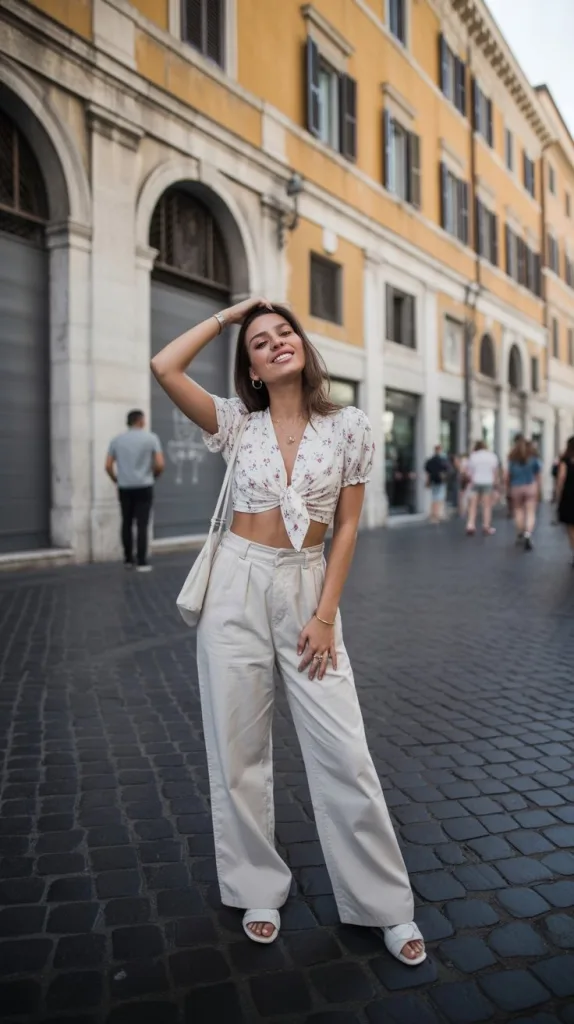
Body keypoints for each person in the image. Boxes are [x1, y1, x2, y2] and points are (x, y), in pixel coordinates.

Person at [151, 297, 425, 965]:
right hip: (236, 587)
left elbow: (350, 526)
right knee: (237, 749)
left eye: (284, 333)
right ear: (249, 368)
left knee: (345, 752)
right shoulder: (234, 425)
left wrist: (325, 615)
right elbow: (164, 365)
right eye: (260, 342)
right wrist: (231, 315)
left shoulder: (351, 426)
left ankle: (384, 904)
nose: (275, 343)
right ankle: (256, 888)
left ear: (302, 346)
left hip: (308, 586)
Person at [105, 410, 165, 571]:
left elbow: (108, 465)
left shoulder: (117, 440)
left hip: (125, 487)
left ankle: (128, 559)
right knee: (142, 524)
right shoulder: (151, 438)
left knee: (126, 522)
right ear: (140, 421)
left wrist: (116, 479)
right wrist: (153, 475)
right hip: (144, 486)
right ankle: (142, 561)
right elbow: (160, 464)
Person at [506, 435, 541, 551]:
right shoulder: (533, 458)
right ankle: (528, 533)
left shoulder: (512, 459)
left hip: (516, 487)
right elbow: (538, 474)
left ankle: (520, 532)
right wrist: (539, 488)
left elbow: (508, 475)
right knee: (530, 512)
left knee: (518, 511)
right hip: (530, 486)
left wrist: (507, 487)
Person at [466, 440, 499, 536]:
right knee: (487, 506)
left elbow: (469, 471)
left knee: (473, 505)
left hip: (475, 482)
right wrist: (496, 484)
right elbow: (495, 471)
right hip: (487, 482)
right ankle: (486, 526)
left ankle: (470, 525)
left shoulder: (473, 456)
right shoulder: (492, 456)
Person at [555, 436, 574, 564]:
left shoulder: (565, 461)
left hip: (569, 497)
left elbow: (561, 479)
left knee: (571, 527)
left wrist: (557, 495)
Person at [424, 444, 449, 523]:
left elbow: (427, 472)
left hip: (433, 481)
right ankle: (438, 515)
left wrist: (427, 481)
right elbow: (446, 470)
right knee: (439, 498)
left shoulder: (430, 460)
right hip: (440, 481)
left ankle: (434, 515)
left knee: (434, 498)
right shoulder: (442, 460)